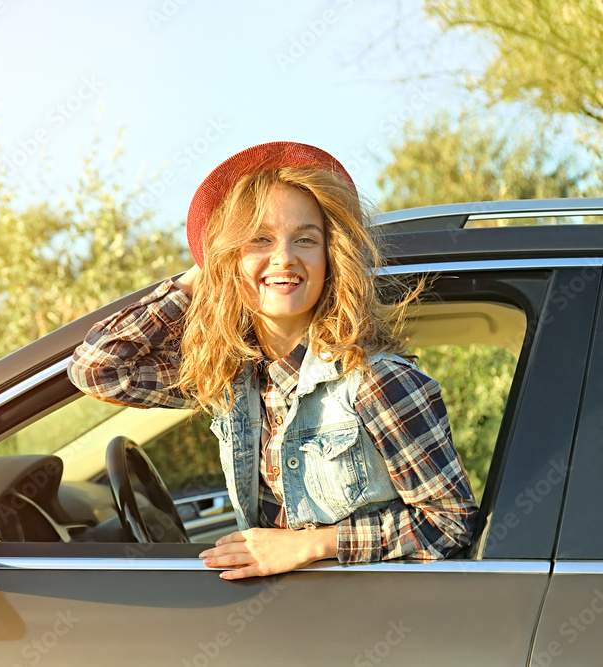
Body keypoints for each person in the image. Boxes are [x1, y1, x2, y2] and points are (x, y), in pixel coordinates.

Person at [68, 141, 477, 580]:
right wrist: (207, 267)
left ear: (330, 258)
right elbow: (99, 369)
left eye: (306, 239)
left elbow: (450, 523)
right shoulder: (227, 377)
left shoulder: (376, 380)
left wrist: (312, 545)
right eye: (259, 239)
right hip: (276, 612)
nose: (284, 257)